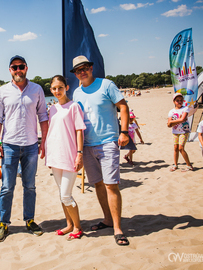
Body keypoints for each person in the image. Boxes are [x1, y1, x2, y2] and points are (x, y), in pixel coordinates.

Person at [71, 55, 130, 246]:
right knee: (97, 184)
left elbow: (123, 106)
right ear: (75, 74)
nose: (82, 71)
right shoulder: (77, 93)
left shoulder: (106, 85)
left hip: (108, 142)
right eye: (78, 70)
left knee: (111, 185)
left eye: (85, 67)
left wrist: (124, 132)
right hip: (87, 146)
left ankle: (118, 228)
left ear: (91, 68)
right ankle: (107, 219)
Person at [0, 55, 49, 242]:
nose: (18, 70)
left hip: (32, 145)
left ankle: (29, 220)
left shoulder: (37, 89)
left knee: (30, 186)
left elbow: (43, 117)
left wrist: (44, 142)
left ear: (26, 68)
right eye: (14, 67)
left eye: (21, 66)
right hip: (9, 145)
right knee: (7, 187)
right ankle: (4, 224)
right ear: (10, 70)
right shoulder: (2, 92)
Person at [46, 75, 86, 240]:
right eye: (54, 89)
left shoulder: (74, 106)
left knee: (66, 195)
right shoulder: (52, 109)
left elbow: (79, 130)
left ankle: (78, 226)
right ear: (51, 90)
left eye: (60, 88)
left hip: (70, 156)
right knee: (61, 194)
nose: (57, 91)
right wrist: (49, 155)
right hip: (55, 156)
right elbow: (51, 132)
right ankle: (69, 224)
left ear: (66, 88)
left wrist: (79, 153)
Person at [167, 93, 193, 172]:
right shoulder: (171, 111)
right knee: (175, 148)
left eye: (181, 100)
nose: (179, 102)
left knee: (181, 148)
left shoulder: (185, 108)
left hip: (184, 131)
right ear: (174, 101)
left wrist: (173, 122)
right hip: (175, 132)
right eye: (177, 100)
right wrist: (177, 120)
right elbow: (169, 124)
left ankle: (189, 165)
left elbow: (183, 119)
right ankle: (175, 164)